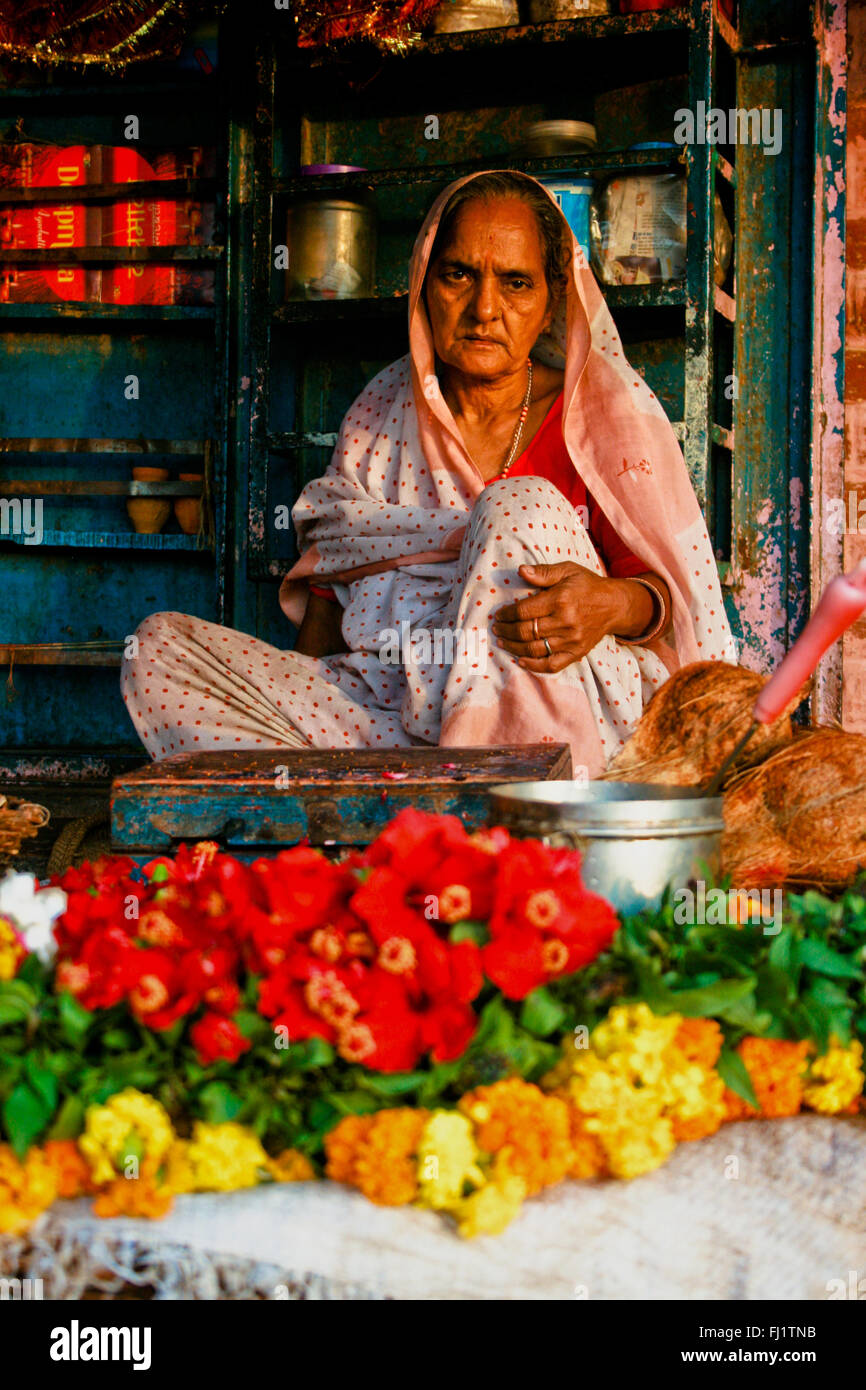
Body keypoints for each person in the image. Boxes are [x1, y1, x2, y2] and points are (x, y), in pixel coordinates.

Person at [122, 170, 736, 773]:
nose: (484, 308)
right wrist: (304, 705)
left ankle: (500, 806)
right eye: (458, 275)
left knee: (517, 504)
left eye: (516, 283)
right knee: (157, 650)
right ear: (423, 284)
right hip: (392, 711)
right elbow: (333, 593)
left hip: (559, 719)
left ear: (553, 301)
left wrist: (607, 603)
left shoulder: (598, 410)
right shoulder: (381, 413)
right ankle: (388, 796)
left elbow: (670, 602)